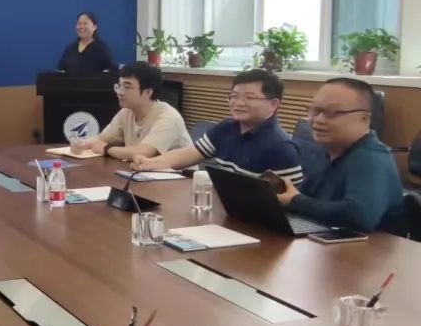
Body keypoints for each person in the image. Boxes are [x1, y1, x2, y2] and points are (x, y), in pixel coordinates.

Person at [277, 78, 405, 234]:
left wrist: (296, 201)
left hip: (373, 246)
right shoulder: (326, 149)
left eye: (333, 112)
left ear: (364, 119)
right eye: (315, 110)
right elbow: (305, 197)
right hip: (326, 238)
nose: (318, 120)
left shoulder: (371, 158)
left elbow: (359, 216)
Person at [131, 69, 303, 183]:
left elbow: (286, 203)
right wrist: (151, 163)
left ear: (273, 104)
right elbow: (189, 154)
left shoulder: (281, 148)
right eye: (234, 96)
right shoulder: (227, 127)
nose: (238, 103)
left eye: (249, 97)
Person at [72, 61, 191, 161]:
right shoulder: (126, 112)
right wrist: (83, 144)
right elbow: (101, 139)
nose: (120, 92)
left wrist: (106, 149)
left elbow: (143, 153)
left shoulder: (168, 117)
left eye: (127, 87)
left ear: (148, 92)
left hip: (181, 177)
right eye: (119, 86)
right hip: (145, 174)